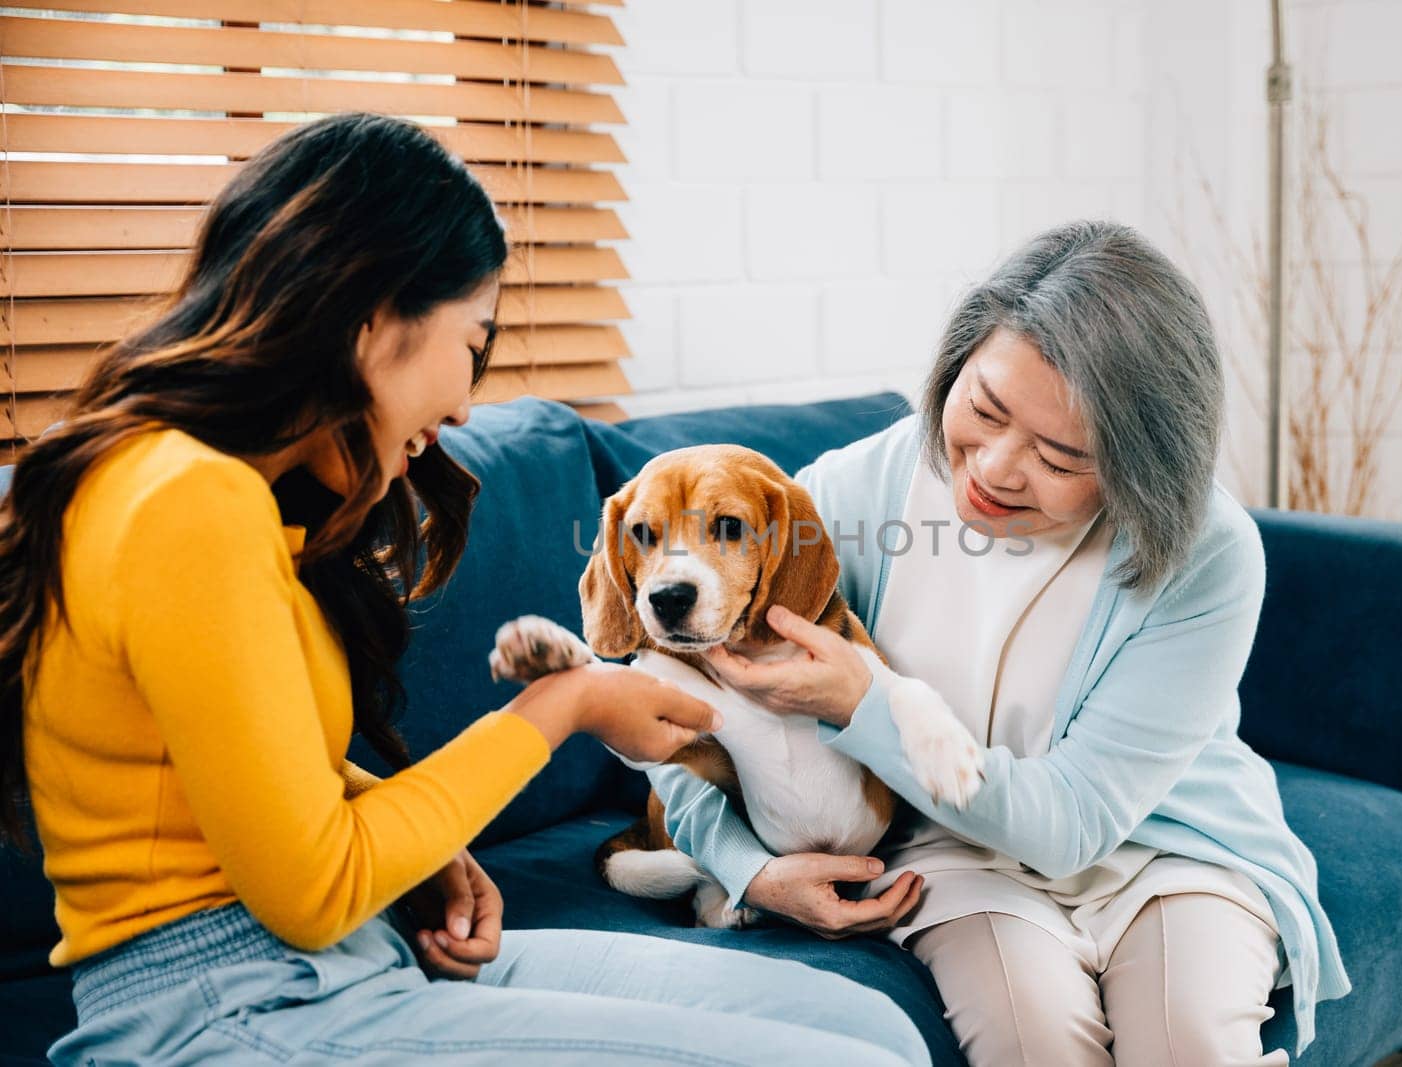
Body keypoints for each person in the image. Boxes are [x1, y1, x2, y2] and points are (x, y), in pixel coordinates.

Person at [0, 112, 930, 1067]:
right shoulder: (187, 502)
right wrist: (568, 701)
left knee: (865, 1028)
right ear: (373, 317)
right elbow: (313, 886)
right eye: (471, 339)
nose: (464, 405)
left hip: (353, 959)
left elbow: (233, 772)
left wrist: (419, 849)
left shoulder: (220, 496)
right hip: (225, 1009)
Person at [649, 221, 1351, 1065]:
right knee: (1034, 1039)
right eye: (983, 409)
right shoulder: (847, 497)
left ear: (1141, 467)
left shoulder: (1207, 550)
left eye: (1061, 455)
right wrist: (748, 870)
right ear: (959, 359)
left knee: (1189, 1041)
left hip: (1174, 847)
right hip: (954, 853)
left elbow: (1077, 820)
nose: (997, 469)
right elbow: (672, 706)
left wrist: (863, 704)